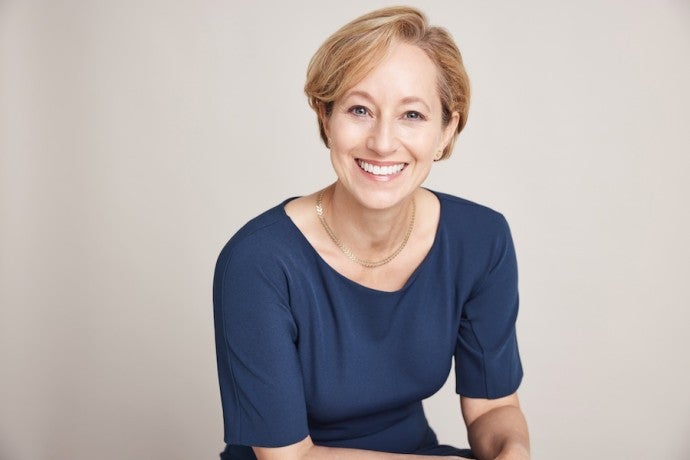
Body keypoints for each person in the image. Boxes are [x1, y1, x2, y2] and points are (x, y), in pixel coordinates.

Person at [213, 6, 530, 460]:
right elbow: (289, 458)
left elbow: (492, 407)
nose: (383, 142)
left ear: (447, 130)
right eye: (359, 109)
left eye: (413, 115)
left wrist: (512, 453)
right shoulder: (259, 261)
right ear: (326, 118)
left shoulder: (481, 239)